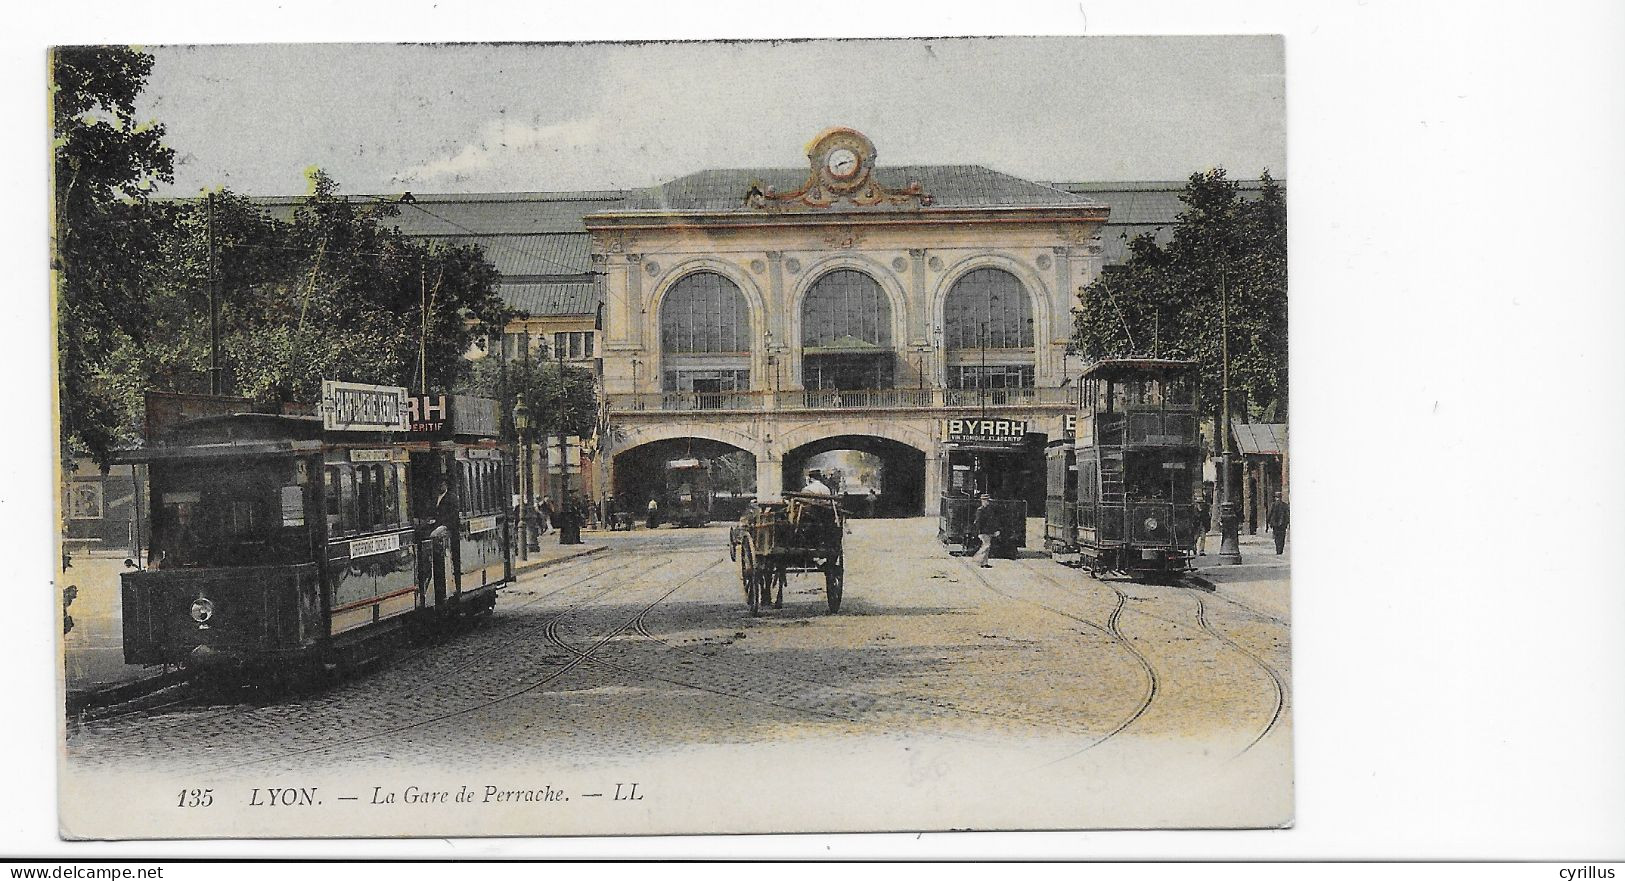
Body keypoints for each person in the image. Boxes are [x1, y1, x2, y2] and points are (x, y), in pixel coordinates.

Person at [971, 493, 1000, 568]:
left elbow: (992, 521)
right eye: (986, 501)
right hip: (983, 531)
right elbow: (978, 522)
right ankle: (976, 558)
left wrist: (995, 530)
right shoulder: (980, 510)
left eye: (988, 501)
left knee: (987, 547)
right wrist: (978, 532)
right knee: (986, 546)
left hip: (989, 531)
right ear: (982, 501)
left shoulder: (989, 510)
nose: (988, 502)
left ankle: (984, 563)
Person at [1195, 490, 1213, 556]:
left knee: (1203, 538)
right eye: (1199, 503)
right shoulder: (1195, 509)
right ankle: (1194, 549)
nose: (1200, 504)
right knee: (1195, 538)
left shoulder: (1205, 509)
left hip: (1203, 525)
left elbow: (1207, 517)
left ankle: (1201, 551)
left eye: (1201, 503)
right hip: (1196, 525)